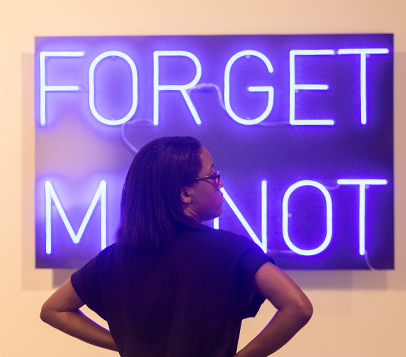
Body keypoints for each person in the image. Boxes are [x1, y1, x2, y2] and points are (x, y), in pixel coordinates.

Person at [40, 136, 312, 357]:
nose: (220, 183)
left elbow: (54, 309)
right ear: (185, 193)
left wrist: (121, 343)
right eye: (212, 176)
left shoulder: (113, 259)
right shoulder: (230, 250)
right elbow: (298, 306)